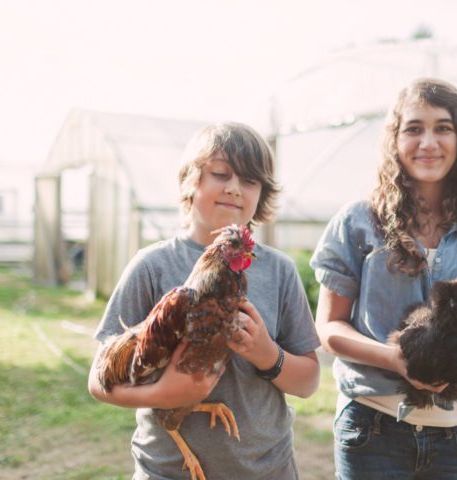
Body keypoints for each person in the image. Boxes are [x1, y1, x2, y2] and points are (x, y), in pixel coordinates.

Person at [310, 78, 457, 480]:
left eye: (443, 127)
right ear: (394, 139)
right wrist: (396, 358)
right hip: (372, 429)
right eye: (413, 128)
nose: (428, 142)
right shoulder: (357, 222)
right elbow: (329, 328)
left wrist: (455, 349)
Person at [88, 122, 321, 480]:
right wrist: (165, 394)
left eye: (249, 180)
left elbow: (308, 382)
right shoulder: (152, 266)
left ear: (263, 193)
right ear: (190, 180)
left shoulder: (279, 271)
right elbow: (99, 381)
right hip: (167, 471)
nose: (233, 188)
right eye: (220, 174)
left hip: (265, 468)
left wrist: (266, 353)